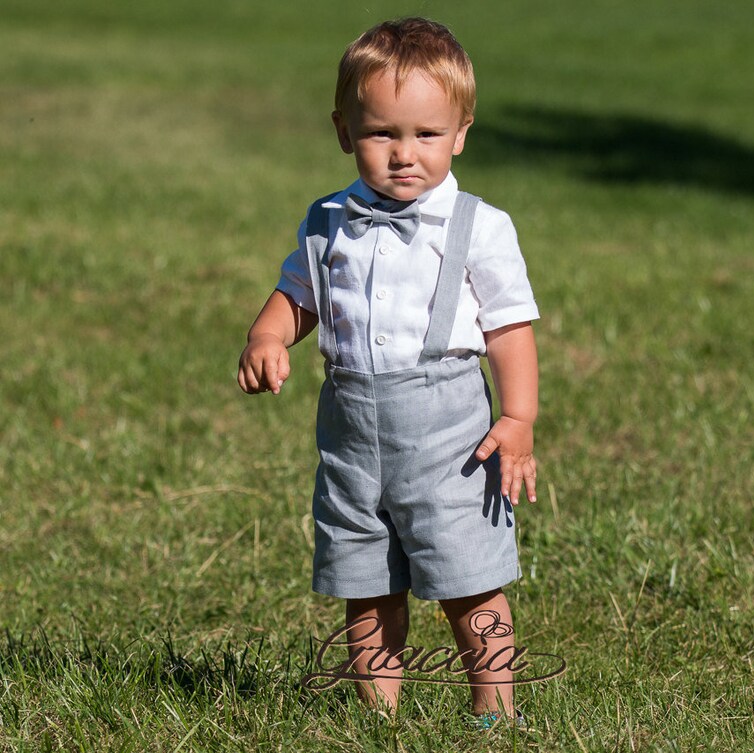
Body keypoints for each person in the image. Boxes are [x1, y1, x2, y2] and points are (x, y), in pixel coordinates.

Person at [238, 17, 539, 721]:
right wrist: (268, 332)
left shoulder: (478, 225)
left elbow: (508, 327)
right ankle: (377, 714)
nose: (405, 154)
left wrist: (518, 415)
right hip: (349, 426)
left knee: (468, 575)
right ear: (344, 130)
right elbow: (298, 294)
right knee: (365, 577)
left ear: (461, 132)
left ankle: (494, 711)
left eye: (426, 135)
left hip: (450, 433)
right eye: (382, 134)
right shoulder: (329, 219)